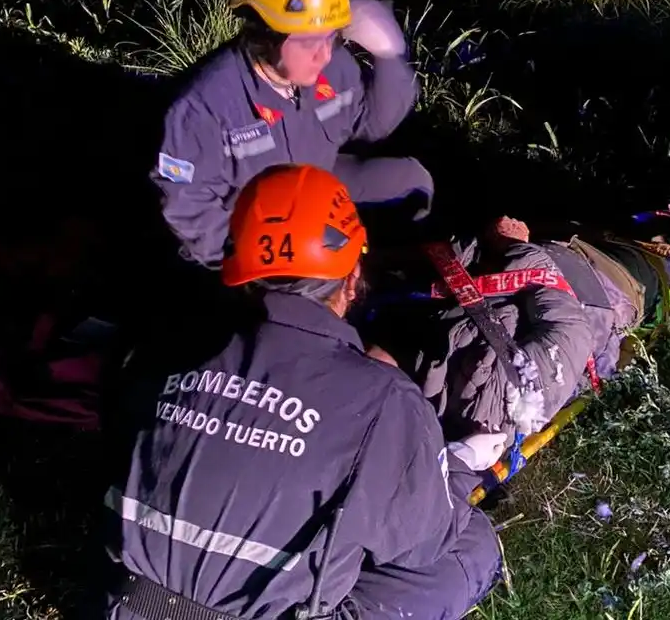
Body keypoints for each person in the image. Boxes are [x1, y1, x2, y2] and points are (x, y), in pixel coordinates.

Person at [103, 165, 504, 620]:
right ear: (352, 277)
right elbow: (424, 541)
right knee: (467, 549)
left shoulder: (168, 345)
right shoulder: (384, 401)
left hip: (126, 605)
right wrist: (462, 465)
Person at [360, 143, 670, 442]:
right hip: (609, 289)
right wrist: (516, 250)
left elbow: (443, 273)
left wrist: (375, 265)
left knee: (627, 229)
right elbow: (565, 326)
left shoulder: (400, 346)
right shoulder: (498, 396)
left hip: (564, 252)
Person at [151, 0, 431, 268]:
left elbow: (372, 124)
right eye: (310, 41)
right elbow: (188, 207)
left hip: (315, 187)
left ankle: (396, 264)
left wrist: (388, 55)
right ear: (266, 35)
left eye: (331, 37)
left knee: (413, 181)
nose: (324, 54)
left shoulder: (330, 64)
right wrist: (251, 268)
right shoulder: (202, 106)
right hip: (260, 229)